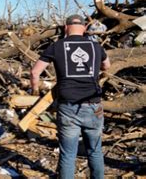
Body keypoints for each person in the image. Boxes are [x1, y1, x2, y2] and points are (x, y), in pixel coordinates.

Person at [30, 14, 111, 179]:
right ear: (84, 28)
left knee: (68, 154)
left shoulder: (57, 46)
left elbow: (34, 72)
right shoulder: (95, 46)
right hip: (93, 107)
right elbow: (107, 66)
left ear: (66, 27)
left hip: (68, 108)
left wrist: (35, 90)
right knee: (95, 151)